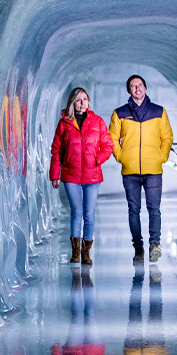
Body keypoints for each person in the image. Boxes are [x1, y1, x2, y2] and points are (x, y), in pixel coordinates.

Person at [108, 74, 174, 263]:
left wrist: (161, 156)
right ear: (129, 91)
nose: (137, 89)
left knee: (154, 209)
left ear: (145, 88)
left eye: (140, 85)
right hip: (130, 172)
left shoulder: (159, 111)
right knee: (133, 210)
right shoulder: (120, 113)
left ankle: (155, 244)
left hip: (153, 169)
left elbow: (167, 137)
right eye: (133, 86)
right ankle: (138, 248)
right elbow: (112, 138)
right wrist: (121, 156)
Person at [50, 86, 115, 266]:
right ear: (72, 103)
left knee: (89, 213)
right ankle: (75, 251)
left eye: (85, 99)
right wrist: (55, 175)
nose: (82, 103)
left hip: (92, 174)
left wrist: (98, 158)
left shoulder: (97, 121)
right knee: (76, 212)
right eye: (78, 100)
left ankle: (86, 252)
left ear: (88, 102)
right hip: (71, 174)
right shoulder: (63, 124)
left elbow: (108, 145)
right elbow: (57, 151)